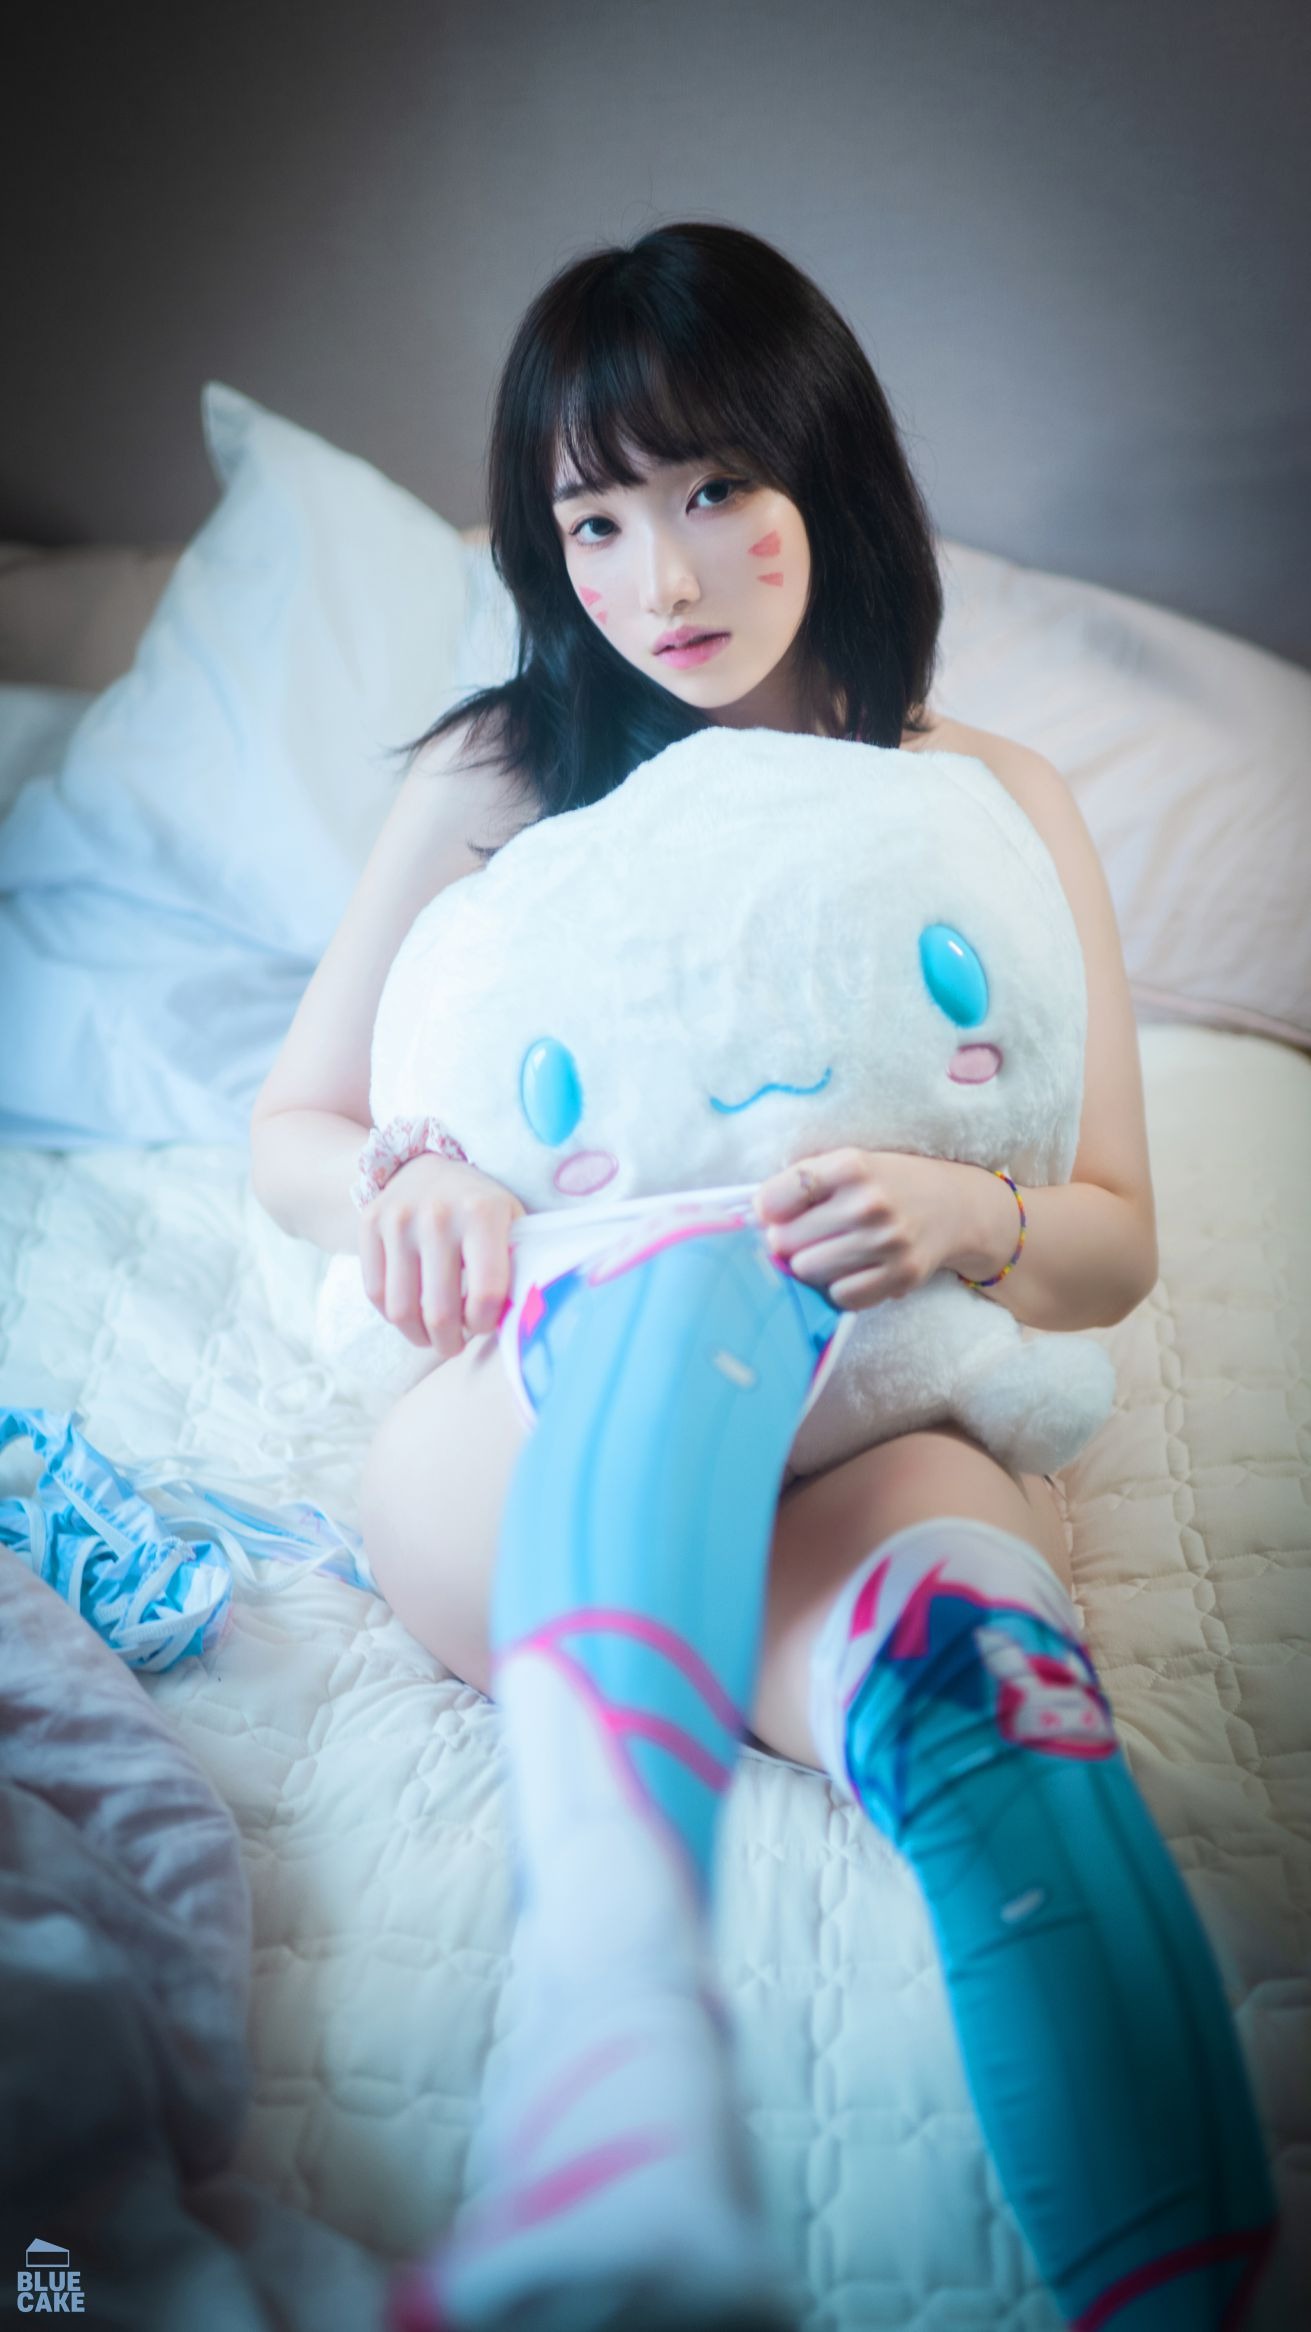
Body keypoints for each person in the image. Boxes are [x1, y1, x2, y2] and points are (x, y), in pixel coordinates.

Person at [249, 224, 1278, 2332]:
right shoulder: (498, 773)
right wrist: (415, 1176)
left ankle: (1176, 2273)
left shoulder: (980, 800)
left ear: (827, 473)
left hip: (870, 1386)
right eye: (597, 519)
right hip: (531, 1408)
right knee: (679, 1279)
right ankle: (618, 2075)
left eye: (718, 489)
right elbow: (292, 1128)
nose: (666, 577)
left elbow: (1109, 1233)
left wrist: (964, 1214)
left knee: (987, 1673)